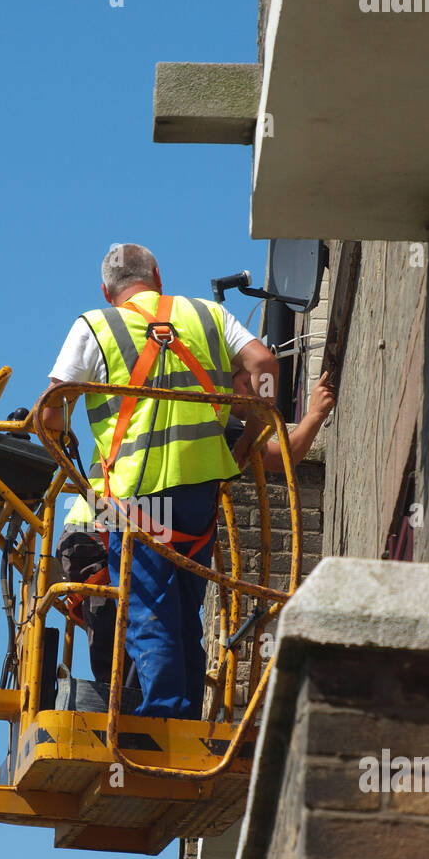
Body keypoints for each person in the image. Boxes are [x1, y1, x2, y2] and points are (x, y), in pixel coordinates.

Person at [40, 243, 281, 720]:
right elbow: (265, 365)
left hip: (132, 497)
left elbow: (52, 408)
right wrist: (251, 433)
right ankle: (186, 717)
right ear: (157, 276)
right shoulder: (208, 315)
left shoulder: (95, 325)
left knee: (148, 609)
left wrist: (57, 431)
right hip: (201, 493)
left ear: (107, 292)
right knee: (185, 611)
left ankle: (163, 720)